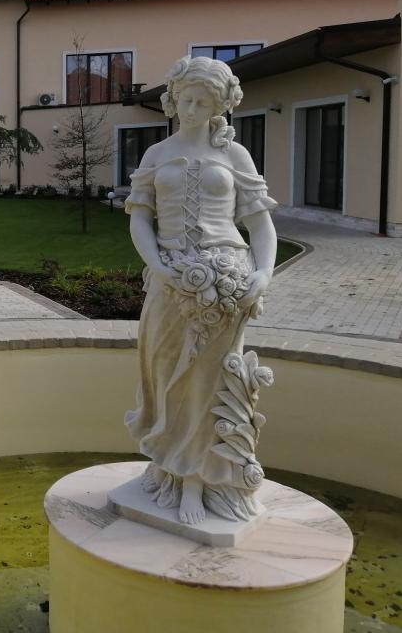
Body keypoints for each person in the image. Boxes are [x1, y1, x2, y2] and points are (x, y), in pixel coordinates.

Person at [125, 56, 278, 525]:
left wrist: (263, 274)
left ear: (219, 107)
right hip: (169, 281)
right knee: (166, 375)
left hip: (227, 283)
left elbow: (260, 225)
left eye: (203, 103)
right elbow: (139, 219)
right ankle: (169, 470)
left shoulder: (235, 156)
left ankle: (197, 481)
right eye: (186, 100)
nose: (192, 110)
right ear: (173, 99)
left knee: (209, 385)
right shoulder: (156, 154)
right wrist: (159, 267)